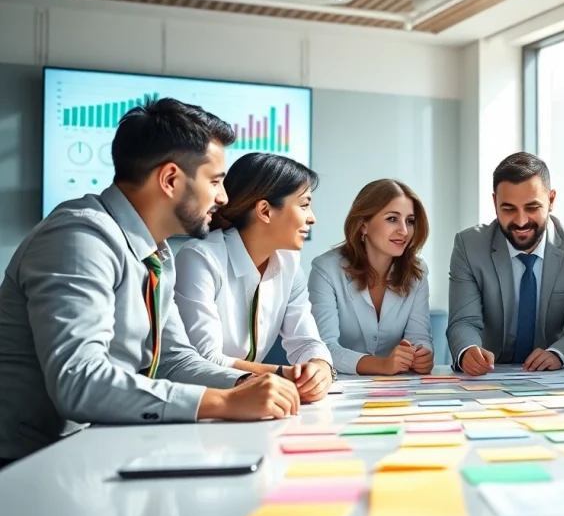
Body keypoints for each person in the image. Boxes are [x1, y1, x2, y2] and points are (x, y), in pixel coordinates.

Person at [0, 98, 300, 467]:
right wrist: (222, 402)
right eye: (215, 181)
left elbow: (174, 360)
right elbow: (79, 380)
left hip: (98, 448)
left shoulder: (156, 254)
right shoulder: (78, 238)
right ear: (170, 179)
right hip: (30, 467)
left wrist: (248, 387)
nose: (223, 199)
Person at [174, 153, 335, 402]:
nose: (312, 217)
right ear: (265, 210)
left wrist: (320, 367)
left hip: (251, 402)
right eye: (304, 205)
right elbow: (205, 358)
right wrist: (283, 374)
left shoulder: (289, 264)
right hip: (199, 404)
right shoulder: (199, 258)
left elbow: (305, 342)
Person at [447, 152, 564, 376]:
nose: (520, 221)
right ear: (494, 203)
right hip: (489, 374)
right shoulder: (469, 245)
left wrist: (558, 353)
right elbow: (464, 320)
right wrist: (468, 350)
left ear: (552, 200)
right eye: (508, 209)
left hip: (551, 374)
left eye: (532, 208)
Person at [308, 179, 434, 376]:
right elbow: (324, 348)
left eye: (410, 221)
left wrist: (422, 355)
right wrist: (382, 365)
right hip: (340, 388)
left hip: (399, 389)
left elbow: (419, 337)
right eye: (392, 219)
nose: (404, 230)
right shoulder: (326, 269)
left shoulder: (417, 271)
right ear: (363, 225)